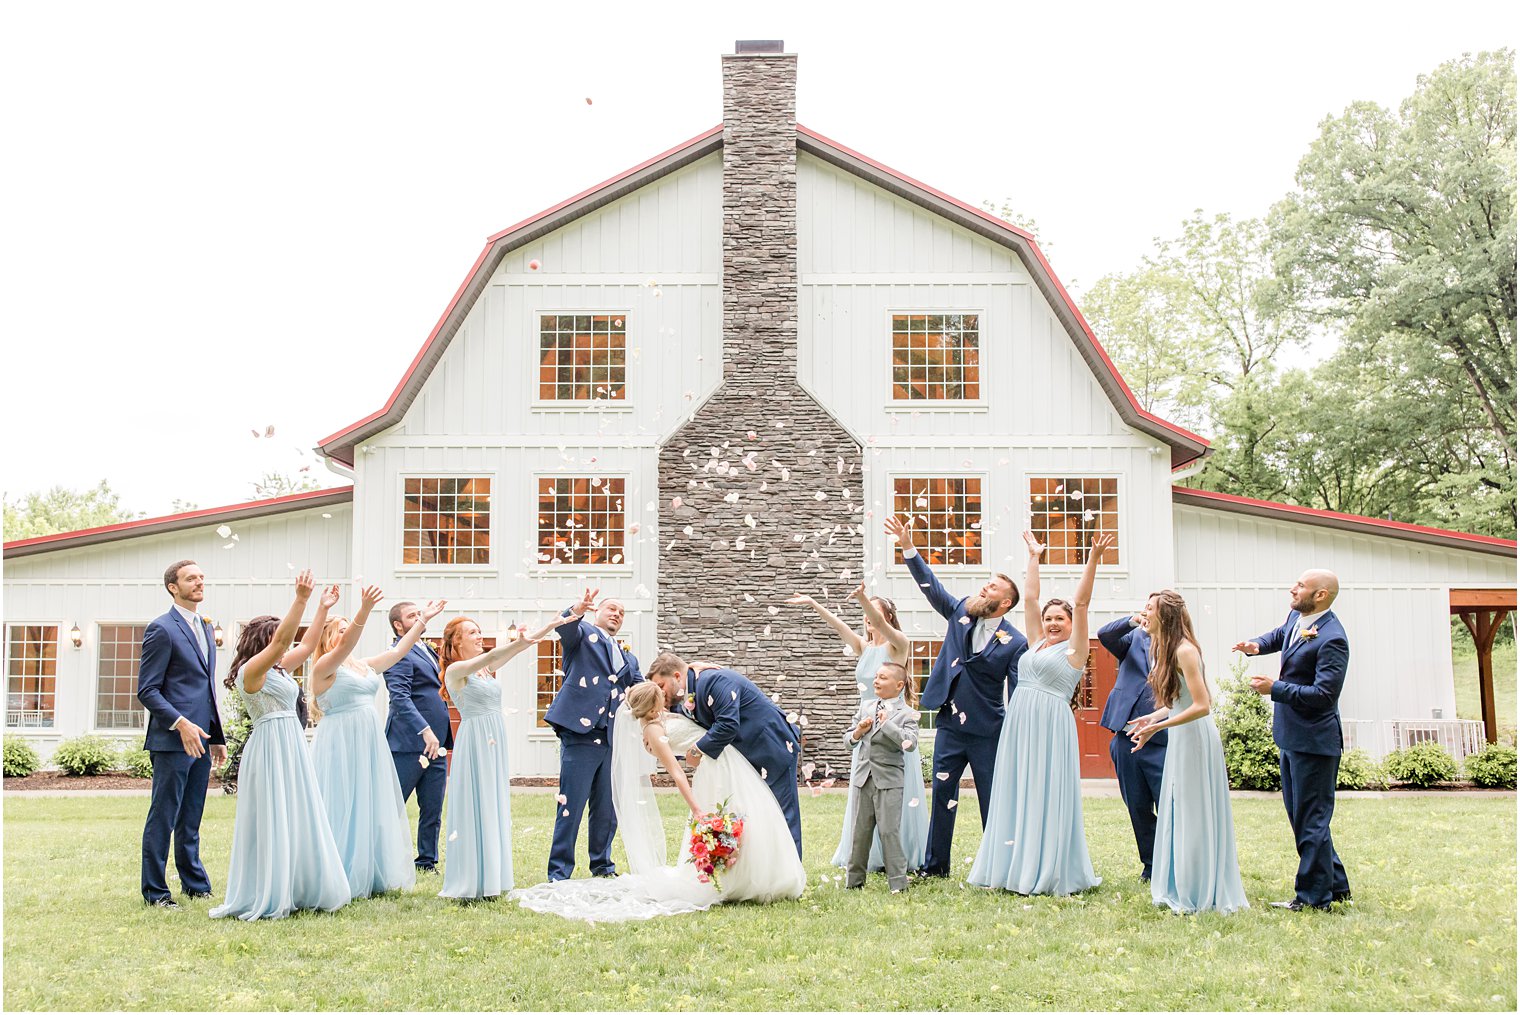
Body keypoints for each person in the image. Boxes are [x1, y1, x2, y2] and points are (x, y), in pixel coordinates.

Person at [511, 679, 806, 922]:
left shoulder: (663, 721)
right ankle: (739, 877)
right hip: (715, 767)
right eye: (661, 700)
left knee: (745, 813)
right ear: (653, 705)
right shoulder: (653, 729)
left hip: (721, 762)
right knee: (734, 814)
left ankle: (748, 875)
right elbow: (677, 774)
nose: (667, 703)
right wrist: (696, 810)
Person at [882, 515, 1028, 878]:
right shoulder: (961, 610)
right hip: (949, 724)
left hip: (988, 731)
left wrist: (1015, 733)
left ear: (1005, 602)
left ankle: (998, 865)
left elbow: (1018, 692)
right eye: (986, 583)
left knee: (991, 800)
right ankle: (935, 867)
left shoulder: (1017, 642)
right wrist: (908, 547)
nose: (984, 588)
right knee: (942, 796)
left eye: (991, 587)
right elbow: (931, 587)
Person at [967, 531, 1109, 896]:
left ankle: (1044, 864)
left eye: (1060, 618)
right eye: (1049, 618)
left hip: (1050, 724)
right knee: (1017, 787)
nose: (1053, 622)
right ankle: (1012, 863)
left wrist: (1092, 557)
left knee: (1044, 790)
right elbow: (1029, 598)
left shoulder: (1074, 653)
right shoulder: (1035, 644)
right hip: (1020, 722)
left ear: (1071, 624)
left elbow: (1081, 602)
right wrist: (1034, 556)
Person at [210, 572, 351, 920]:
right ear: (264, 640)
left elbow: (304, 646)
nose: (285, 645)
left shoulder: (279, 668)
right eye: (278, 638)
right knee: (274, 813)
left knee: (298, 810)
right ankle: (271, 889)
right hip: (271, 746)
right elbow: (280, 644)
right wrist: (300, 599)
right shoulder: (251, 670)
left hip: (291, 744)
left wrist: (321, 607)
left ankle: (300, 884)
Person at [310, 587, 446, 898]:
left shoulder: (361, 665)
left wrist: (422, 621)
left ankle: (368, 869)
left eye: (347, 631)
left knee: (367, 803)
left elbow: (399, 652)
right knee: (342, 802)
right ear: (328, 638)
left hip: (368, 742)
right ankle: (337, 871)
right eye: (340, 632)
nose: (346, 637)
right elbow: (347, 645)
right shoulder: (323, 668)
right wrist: (364, 610)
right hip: (341, 742)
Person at [1233, 569, 1352, 911]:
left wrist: (1276, 689)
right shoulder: (1297, 617)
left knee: (1311, 819)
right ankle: (1337, 887)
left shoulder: (1333, 638)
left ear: (1320, 596)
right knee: (1304, 817)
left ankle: (1313, 899)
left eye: (1300, 586)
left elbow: (1324, 694)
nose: (1292, 588)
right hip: (1292, 735)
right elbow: (1281, 635)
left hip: (1315, 741)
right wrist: (1256, 646)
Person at [787, 584, 928, 872]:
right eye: (866, 611)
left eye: (876, 611)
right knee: (864, 792)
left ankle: (900, 854)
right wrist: (814, 601)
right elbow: (838, 625)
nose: (869, 617)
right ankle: (866, 854)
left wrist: (864, 599)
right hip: (865, 726)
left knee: (893, 792)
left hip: (892, 725)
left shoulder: (898, 644)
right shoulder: (864, 648)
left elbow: (876, 622)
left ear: (888, 616)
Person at [1129, 590, 1248, 914]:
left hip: (1195, 738)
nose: (1144, 613)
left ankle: (1199, 888)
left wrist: (1159, 727)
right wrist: (1152, 718)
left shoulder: (1185, 650)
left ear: (1164, 615)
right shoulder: (1163, 649)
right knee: (1179, 808)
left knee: (1193, 811)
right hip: (1181, 736)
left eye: (1149, 608)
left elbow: (1202, 705)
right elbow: (1175, 702)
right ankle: (1180, 882)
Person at [438, 614, 568, 902]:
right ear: (457, 640)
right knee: (477, 802)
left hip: (494, 739)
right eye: (472, 632)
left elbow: (515, 649)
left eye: (479, 631)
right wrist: (508, 645)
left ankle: (493, 877)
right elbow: (496, 653)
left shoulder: (484, 671)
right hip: (475, 740)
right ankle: (472, 879)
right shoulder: (457, 670)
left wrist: (550, 626)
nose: (479, 636)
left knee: (493, 802)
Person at [138, 559, 227, 908]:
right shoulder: (162, 628)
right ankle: (155, 892)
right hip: (173, 740)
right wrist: (180, 724)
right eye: (191, 578)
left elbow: (206, 687)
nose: (199, 582)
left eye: (202, 577)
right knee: (164, 814)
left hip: (202, 739)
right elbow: (148, 690)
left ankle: (195, 884)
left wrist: (216, 735)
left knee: (191, 815)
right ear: (173, 587)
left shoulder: (206, 627)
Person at [656, 654, 804, 858]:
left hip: (772, 746)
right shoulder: (683, 695)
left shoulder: (714, 680)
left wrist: (696, 751)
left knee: (782, 814)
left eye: (661, 685)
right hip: (745, 757)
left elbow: (728, 724)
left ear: (676, 676)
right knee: (758, 816)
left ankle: (792, 878)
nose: (660, 692)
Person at [546, 588, 644, 882]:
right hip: (581, 733)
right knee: (571, 805)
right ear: (598, 612)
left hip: (613, 736)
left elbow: (643, 691)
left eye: (622, 612)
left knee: (606, 808)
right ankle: (559, 872)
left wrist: (689, 671)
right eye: (612, 608)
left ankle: (602, 866)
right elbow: (564, 625)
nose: (617, 614)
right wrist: (577, 609)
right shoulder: (581, 636)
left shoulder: (629, 657)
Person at [1096, 594, 1167, 881]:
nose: (1146, 612)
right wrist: (1132, 620)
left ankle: (1174, 861)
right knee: (1137, 806)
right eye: (1145, 607)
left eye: (1152, 609)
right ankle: (1151, 866)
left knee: (1168, 804)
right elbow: (1104, 635)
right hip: (1125, 738)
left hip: (1164, 738)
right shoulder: (1134, 638)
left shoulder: (1180, 647)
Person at [384, 600, 450, 874]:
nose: (419, 618)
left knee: (433, 806)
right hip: (409, 742)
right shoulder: (397, 653)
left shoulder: (426, 650)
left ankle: (426, 860)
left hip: (438, 743)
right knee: (392, 804)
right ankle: (382, 855)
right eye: (412, 616)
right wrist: (424, 730)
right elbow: (399, 697)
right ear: (398, 625)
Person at [843, 662, 919, 893]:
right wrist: (858, 732)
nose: (876, 681)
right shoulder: (866, 706)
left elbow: (910, 743)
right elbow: (848, 740)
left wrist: (886, 725)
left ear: (898, 685)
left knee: (889, 831)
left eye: (882, 678)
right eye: (876, 676)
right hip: (863, 778)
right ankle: (854, 882)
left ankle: (898, 883)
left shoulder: (908, 713)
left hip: (889, 780)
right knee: (859, 832)